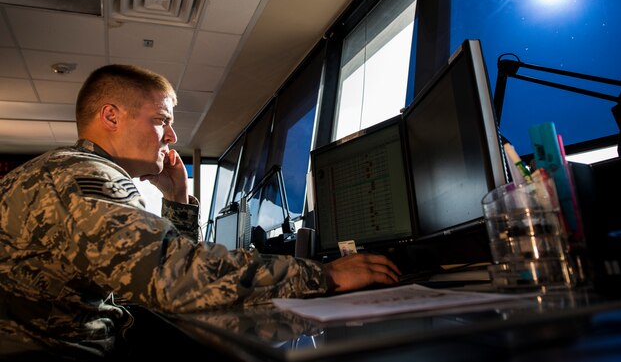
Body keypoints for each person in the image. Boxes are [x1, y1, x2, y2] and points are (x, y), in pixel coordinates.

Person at [0, 64, 400, 360]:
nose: (172, 137)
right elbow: (170, 276)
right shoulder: (85, 177)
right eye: (161, 121)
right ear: (111, 116)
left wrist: (176, 198)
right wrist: (324, 275)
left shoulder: (65, 169)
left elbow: (141, 271)